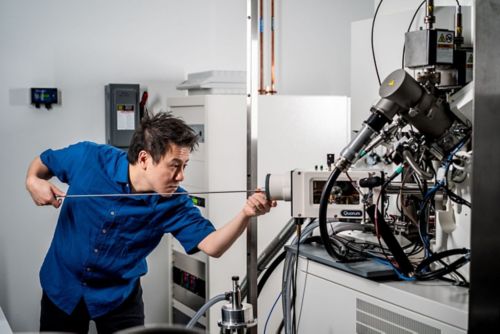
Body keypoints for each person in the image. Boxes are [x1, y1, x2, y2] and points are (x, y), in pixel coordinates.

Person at [25, 112, 276, 333]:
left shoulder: (174, 201)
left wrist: (245, 213)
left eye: (184, 165)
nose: (181, 176)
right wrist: (32, 181)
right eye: (174, 166)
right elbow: (44, 162)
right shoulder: (89, 157)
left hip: (119, 298)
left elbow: (212, 246)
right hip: (62, 287)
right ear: (144, 159)